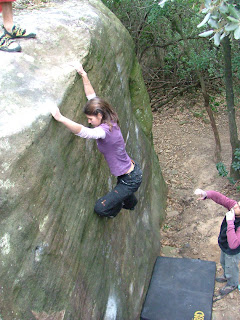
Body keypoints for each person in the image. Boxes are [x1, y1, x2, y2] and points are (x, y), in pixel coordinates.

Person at [51, 63, 143, 218]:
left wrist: (61, 118)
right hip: (128, 171)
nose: (88, 121)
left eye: (90, 118)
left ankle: (121, 206)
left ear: (99, 115)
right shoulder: (109, 116)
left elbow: (84, 132)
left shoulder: (103, 131)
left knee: (100, 209)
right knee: (123, 190)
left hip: (130, 179)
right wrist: (83, 74)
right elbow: (92, 97)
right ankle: (130, 202)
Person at [194, 188, 240, 296]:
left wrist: (230, 222)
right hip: (224, 245)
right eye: (238, 203)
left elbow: (233, 244)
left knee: (231, 266)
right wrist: (206, 194)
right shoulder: (234, 208)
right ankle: (226, 275)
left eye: (238, 207)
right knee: (223, 262)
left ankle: (232, 283)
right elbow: (221, 198)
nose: (235, 206)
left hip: (232, 251)